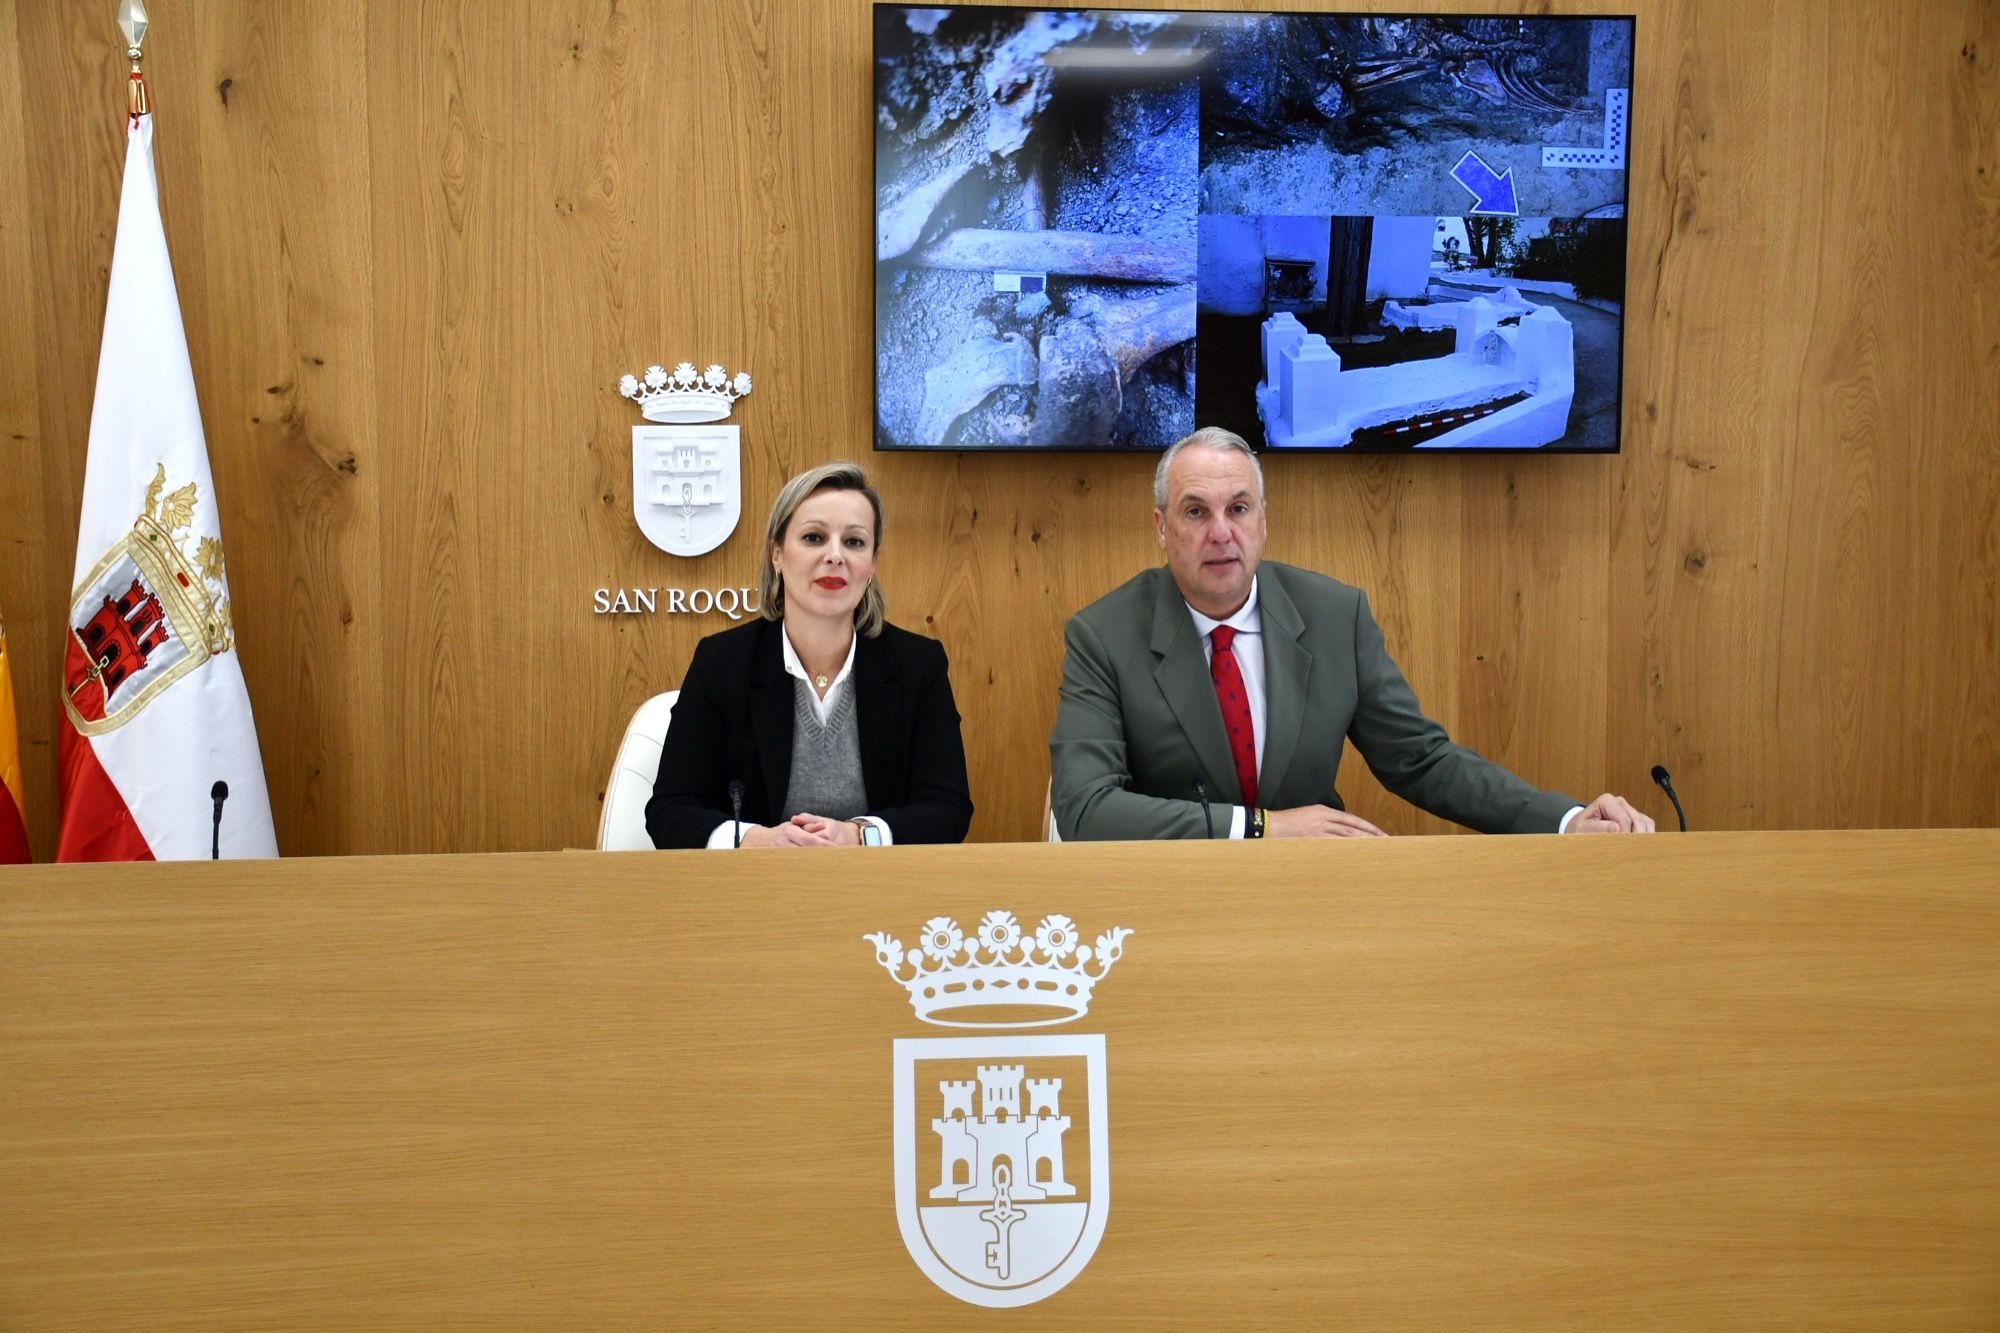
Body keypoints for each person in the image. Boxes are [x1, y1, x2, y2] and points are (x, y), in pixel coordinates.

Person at [1050, 427, 1654, 840]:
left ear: (1263, 520)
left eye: (1238, 508)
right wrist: (1261, 828)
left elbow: (1421, 761)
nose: (1220, 532)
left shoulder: (1337, 616)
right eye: (1194, 511)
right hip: (1166, 902)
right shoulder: (1103, 635)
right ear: (1161, 528)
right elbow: (1083, 808)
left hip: (1317, 894)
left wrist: (1565, 819)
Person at [646, 462, 973, 848]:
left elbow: (948, 809)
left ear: (872, 564)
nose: (835, 556)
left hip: (879, 891)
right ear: (777, 555)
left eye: (854, 542)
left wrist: (859, 835)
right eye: (814, 538)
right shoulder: (722, 662)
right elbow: (670, 810)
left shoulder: (918, 665)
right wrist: (752, 840)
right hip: (754, 894)